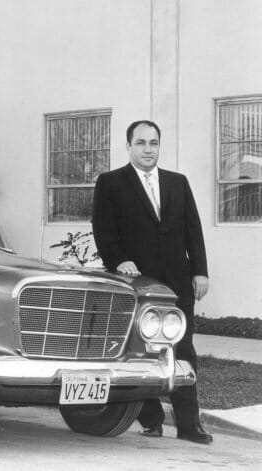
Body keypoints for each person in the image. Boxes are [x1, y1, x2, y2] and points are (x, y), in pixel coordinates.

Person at [91, 120, 213, 444]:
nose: (148, 149)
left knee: (183, 348)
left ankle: (189, 425)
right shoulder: (111, 183)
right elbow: (103, 229)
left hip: (177, 282)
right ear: (128, 146)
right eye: (141, 143)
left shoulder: (178, 182)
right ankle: (150, 419)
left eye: (154, 143)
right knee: (141, 348)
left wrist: (200, 271)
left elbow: (193, 230)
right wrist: (118, 261)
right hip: (138, 281)